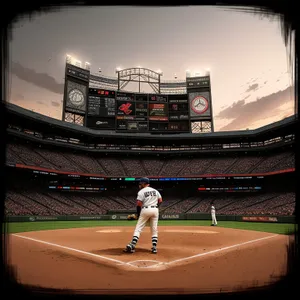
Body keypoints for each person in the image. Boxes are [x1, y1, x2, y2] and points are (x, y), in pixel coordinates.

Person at [123, 177, 162, 254]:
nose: (139, 184)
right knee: (154, 229)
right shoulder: (155, 191)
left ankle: (132, 245)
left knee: (138, 228)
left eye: (140, 183)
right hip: (155, 210)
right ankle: (154, 248)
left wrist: (138, 214)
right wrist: (156, 206)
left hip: (145, 209)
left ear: (144, 183)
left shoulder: (141, 192)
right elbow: (160, 201)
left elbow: (139, 204)